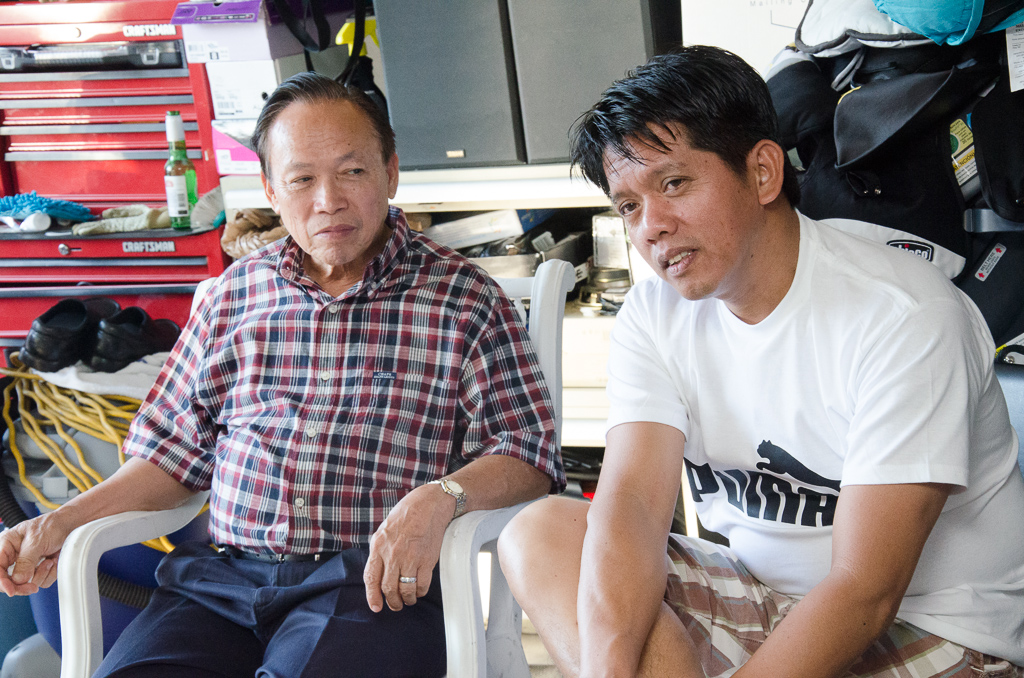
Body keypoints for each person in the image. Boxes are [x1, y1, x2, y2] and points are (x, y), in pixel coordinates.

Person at [0, 72, 565, 678]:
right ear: (270, 189)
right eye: (301, 179)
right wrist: (60, 523)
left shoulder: (463, 297)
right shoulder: (232, 295)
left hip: (368, 586)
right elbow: (169, 456)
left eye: (352, 171)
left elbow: (527, 453)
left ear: (391, 172)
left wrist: (442, 496)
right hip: (218, 582)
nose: (328, 200)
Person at [498, 46, 1024, 678]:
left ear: (764, 173)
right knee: (542, 534)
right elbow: (632, 507)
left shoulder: (904, 317)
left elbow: (866, 591)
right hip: (765, 595)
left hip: (939, 625)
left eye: (673, 183)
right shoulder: (653, 313)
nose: (651, 227)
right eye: (629, 206)